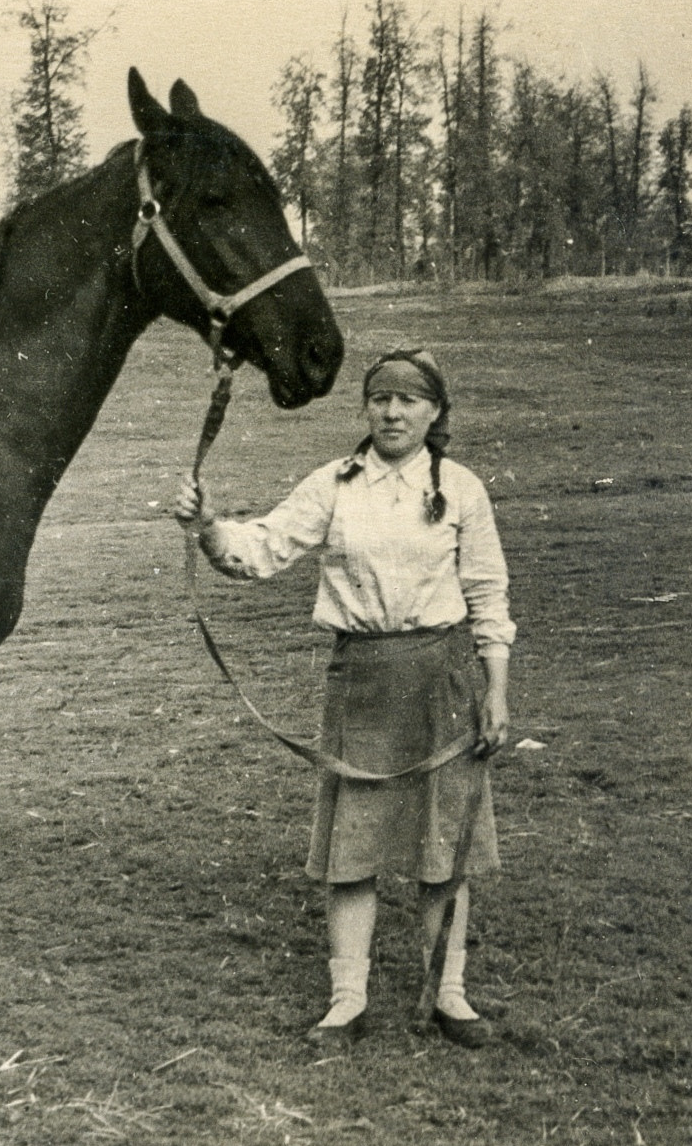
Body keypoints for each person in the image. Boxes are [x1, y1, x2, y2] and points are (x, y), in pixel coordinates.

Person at [173, 348, 513, 1049]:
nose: (392, 413)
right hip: (360, 680)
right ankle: (346, 1000)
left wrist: (497, 692)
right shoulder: (335, 484)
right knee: (351, 849)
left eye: (409, 401)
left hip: (446, 681)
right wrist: (208, 526)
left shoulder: (463, 489)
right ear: (366, 408)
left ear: (435, 412)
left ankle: (449, 995)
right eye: (380, 399)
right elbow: (259, 549)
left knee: (441, 847)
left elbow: (487, 596)